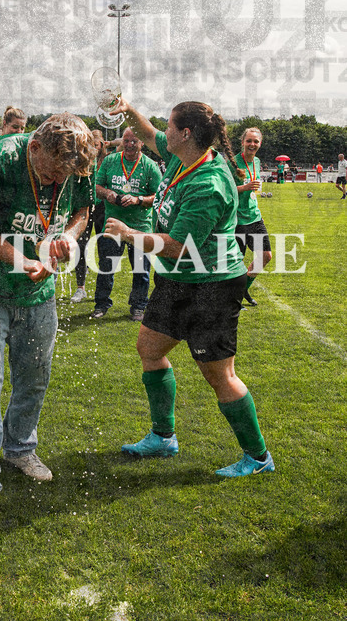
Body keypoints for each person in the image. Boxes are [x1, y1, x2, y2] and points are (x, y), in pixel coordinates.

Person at [106, 98, 274, 479]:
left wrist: (130, 234)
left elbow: (178, 245)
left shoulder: (209, 184)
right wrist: (128, 108)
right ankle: (164, 437)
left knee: (219, 376)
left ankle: (258, 456)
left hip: (211, 285)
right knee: (149, 348)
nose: (162, 132)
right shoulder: (186, 154)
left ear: (185, 134)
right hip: (179, 279)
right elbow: (149, 135)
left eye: (169, 126)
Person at [0, 113, 96, 531]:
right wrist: (23, 259)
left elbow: (83, 211)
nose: (56, 184)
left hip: (38, 292)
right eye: (51, 173)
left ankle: (19, 448)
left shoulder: (78, 163)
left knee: (35, 377)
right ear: (34, 148)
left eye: (62, 178)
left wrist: (67, 238)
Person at [89, 127, 161, 322]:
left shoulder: (150, 166)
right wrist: (108, 194)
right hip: (113, 224)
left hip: (140, 227)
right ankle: (101, 304)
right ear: (122, 142)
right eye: (126, 141)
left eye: (134, 141)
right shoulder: (112, 161)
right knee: (106, 267)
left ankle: (138, 306)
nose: (130, 145)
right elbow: (95, 185)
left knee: (141, 271)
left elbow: (159, 197)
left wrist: (138, 200)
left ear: (142, 144)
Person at [233, 128, 272, 307]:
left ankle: (242, 290)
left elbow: (254, 190)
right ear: (243, 142)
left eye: (256, 141)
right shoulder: (233, 163)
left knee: (265, 256)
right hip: (236, 221)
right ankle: (233, 296)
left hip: (255, 217)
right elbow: (224, 190)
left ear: (260, 144)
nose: (252, 144)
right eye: (249, 141)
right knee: (236, 263)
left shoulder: (256, 161)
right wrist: (245, 187)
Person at [71, 130, 107, 304]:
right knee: (81, 245)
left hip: (101, 208)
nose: (94, 147)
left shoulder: (107, 161)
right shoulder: (83, 162)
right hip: (85, 207)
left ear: (102, 146)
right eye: (91, 144)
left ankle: (102, 290)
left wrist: (110, 143)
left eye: (97, 144)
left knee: (103, 247)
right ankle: (81, 287)